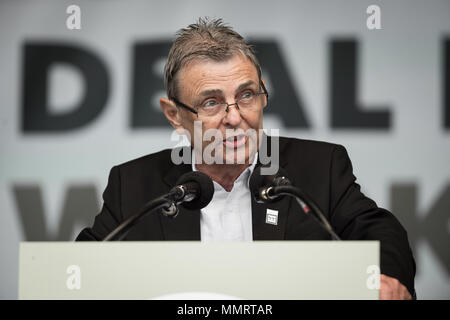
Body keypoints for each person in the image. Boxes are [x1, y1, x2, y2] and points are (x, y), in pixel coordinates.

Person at [76, 17, 416, 300]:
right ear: (175, 115)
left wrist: (384, 276)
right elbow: (81, 268)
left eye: (247, 95)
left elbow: (379, 230)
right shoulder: (134, 185)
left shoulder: (318, 166)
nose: (235, 116)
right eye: (211, 102)